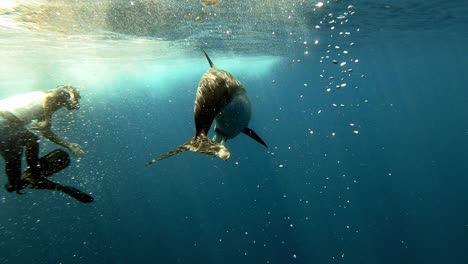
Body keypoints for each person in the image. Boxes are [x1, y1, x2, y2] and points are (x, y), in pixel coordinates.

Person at [0, 85, 84, 193]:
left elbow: (45, 131)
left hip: (7, 127)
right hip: (4, 120)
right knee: (32, 140)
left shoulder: (44, 106)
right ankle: (35, 175)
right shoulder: (60, 93)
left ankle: (16, 183)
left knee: (13, 159)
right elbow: (50, 97)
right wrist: (48, 120)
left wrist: (68, 145)